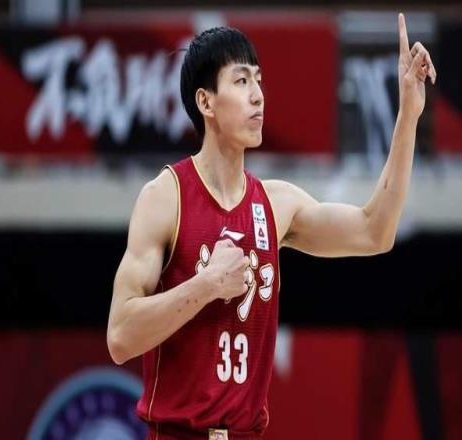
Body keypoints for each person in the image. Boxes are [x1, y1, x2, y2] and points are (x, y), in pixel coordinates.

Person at [107, 13, 436, 440]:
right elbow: (120, 336)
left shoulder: (277, 203)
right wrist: (205, 285)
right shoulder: (165, 197)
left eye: (259, 81)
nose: (258, 95)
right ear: (206, 102)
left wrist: (408, 115)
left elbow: (375, 231)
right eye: (242, 81)